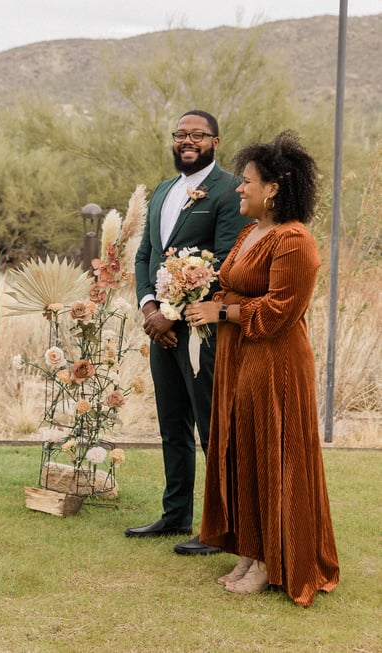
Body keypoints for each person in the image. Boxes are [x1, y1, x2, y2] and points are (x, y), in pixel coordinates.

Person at [186, 131, 339, 605]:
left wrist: (221, 311)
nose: (239, 188)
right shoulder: (250, 233)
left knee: (273, 452)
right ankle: (251, 551)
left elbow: (278, 311)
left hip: (275, 362)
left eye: (247, 181)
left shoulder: (295, 240)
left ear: (272, 188)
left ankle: (275, 560)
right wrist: (194, 294)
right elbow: (230, 284)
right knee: (244, 451)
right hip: (240, 356)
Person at [129, 110, 250, 554]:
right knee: (171, 425)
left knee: (211, 428)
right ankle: (176, 513)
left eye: (197, 135)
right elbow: (146, 255)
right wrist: (150, 308)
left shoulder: (229, 190)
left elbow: (226, 262)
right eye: (180, 134)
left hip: (202, 332)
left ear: (215, 141)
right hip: (159, 329)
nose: (187, 141)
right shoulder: (163, 190)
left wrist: (174, 314)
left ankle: (223, 525)